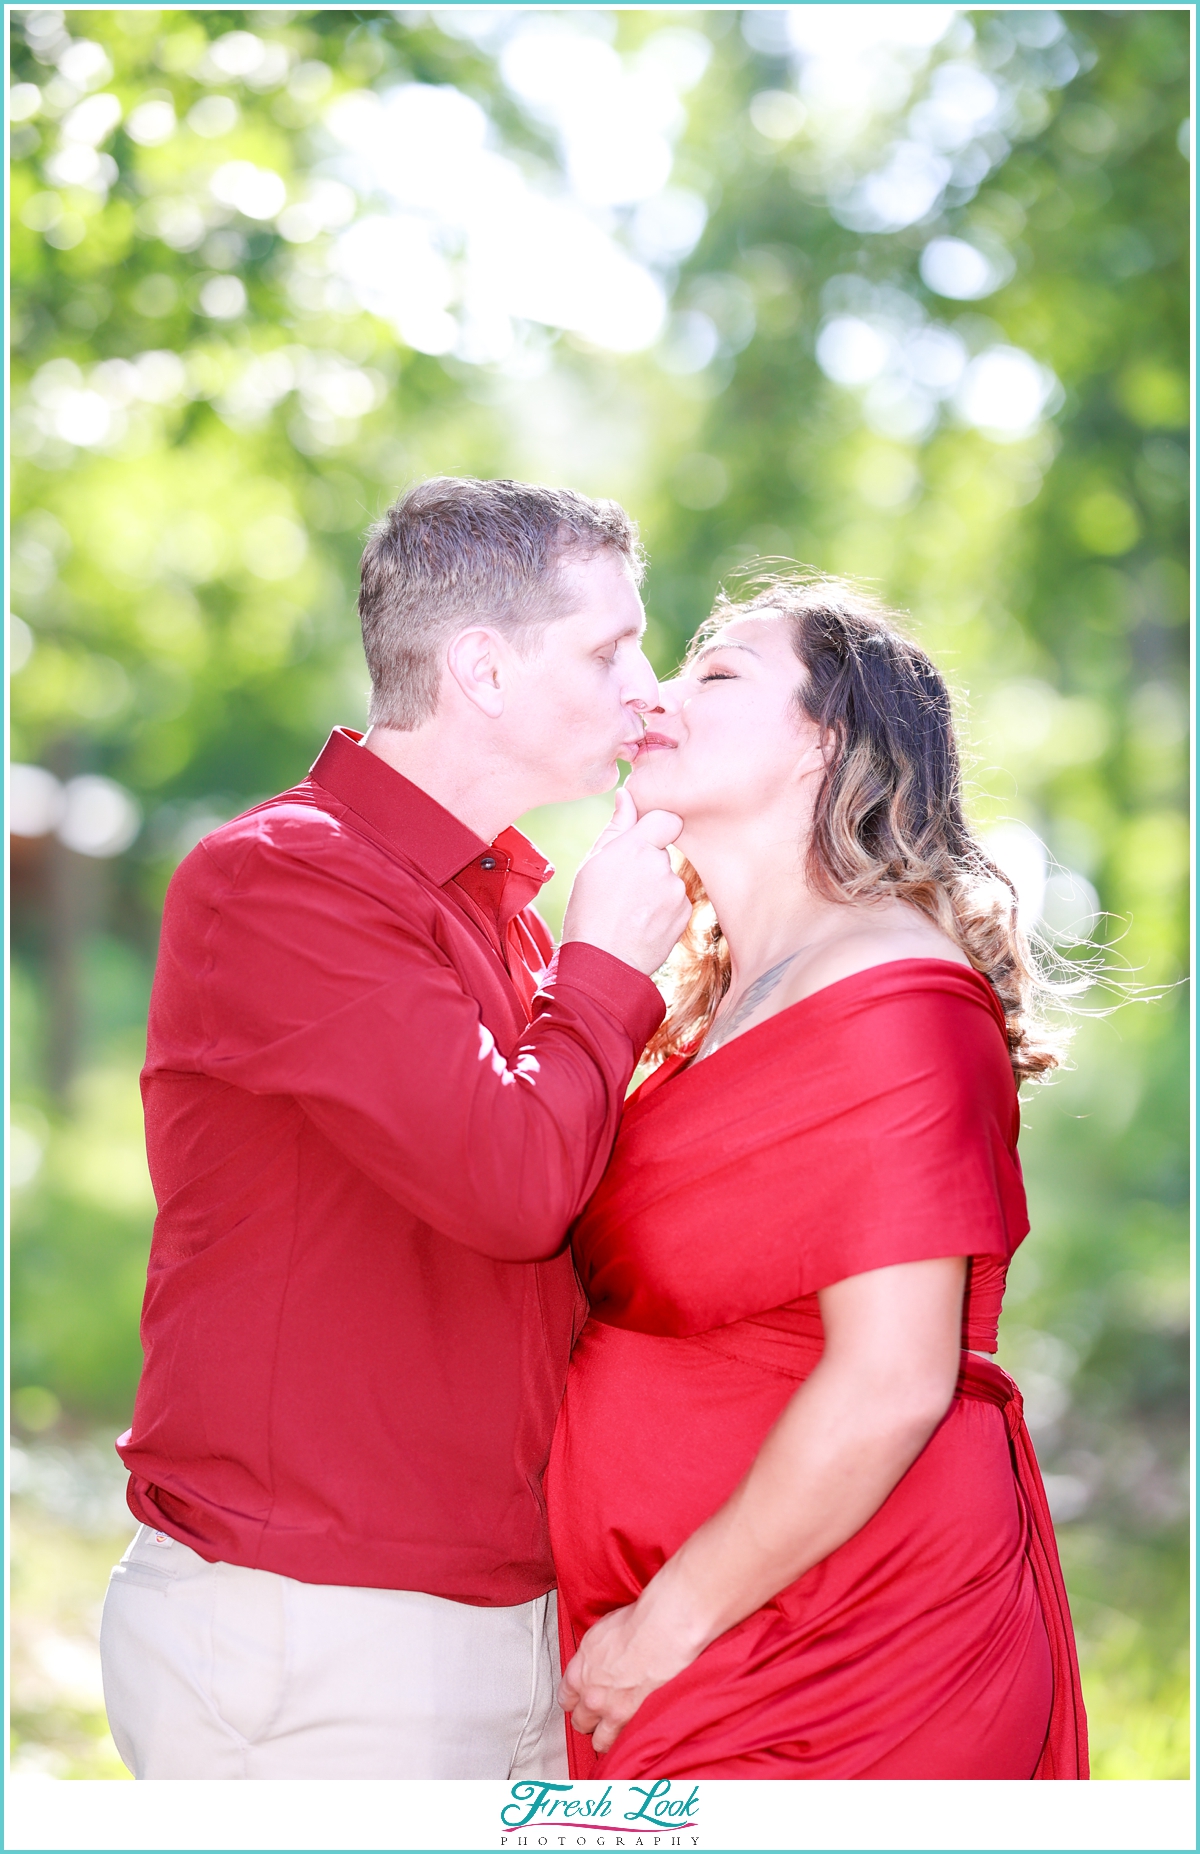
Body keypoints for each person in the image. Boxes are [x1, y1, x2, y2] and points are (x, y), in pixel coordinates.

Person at [100, 477, 691, 1780]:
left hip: (497, 1608)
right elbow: (513, 1185)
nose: (649, 689)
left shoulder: (515, 916)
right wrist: (607, 964)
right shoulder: (281, 876)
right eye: (609, 649)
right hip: (321, 1629)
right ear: (482, 666)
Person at [547, 572, 1089, 1780]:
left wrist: (662, 1629)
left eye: (717, 673)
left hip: (841, 1651)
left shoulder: (899, 1001)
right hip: (692, 1627)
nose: (657, 695)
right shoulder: (712, 1003)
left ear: (827, 745)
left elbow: (893, 1381)